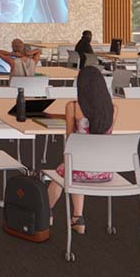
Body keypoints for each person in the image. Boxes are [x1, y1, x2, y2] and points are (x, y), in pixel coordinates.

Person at [47, 66, 117, 234]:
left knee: (64, 170)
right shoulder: (113, 109)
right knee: (75, 167)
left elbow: (70, 141)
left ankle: (46, 212)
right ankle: (78, 218)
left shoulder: (73, 106)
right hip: (104, 171)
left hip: (78, 168)